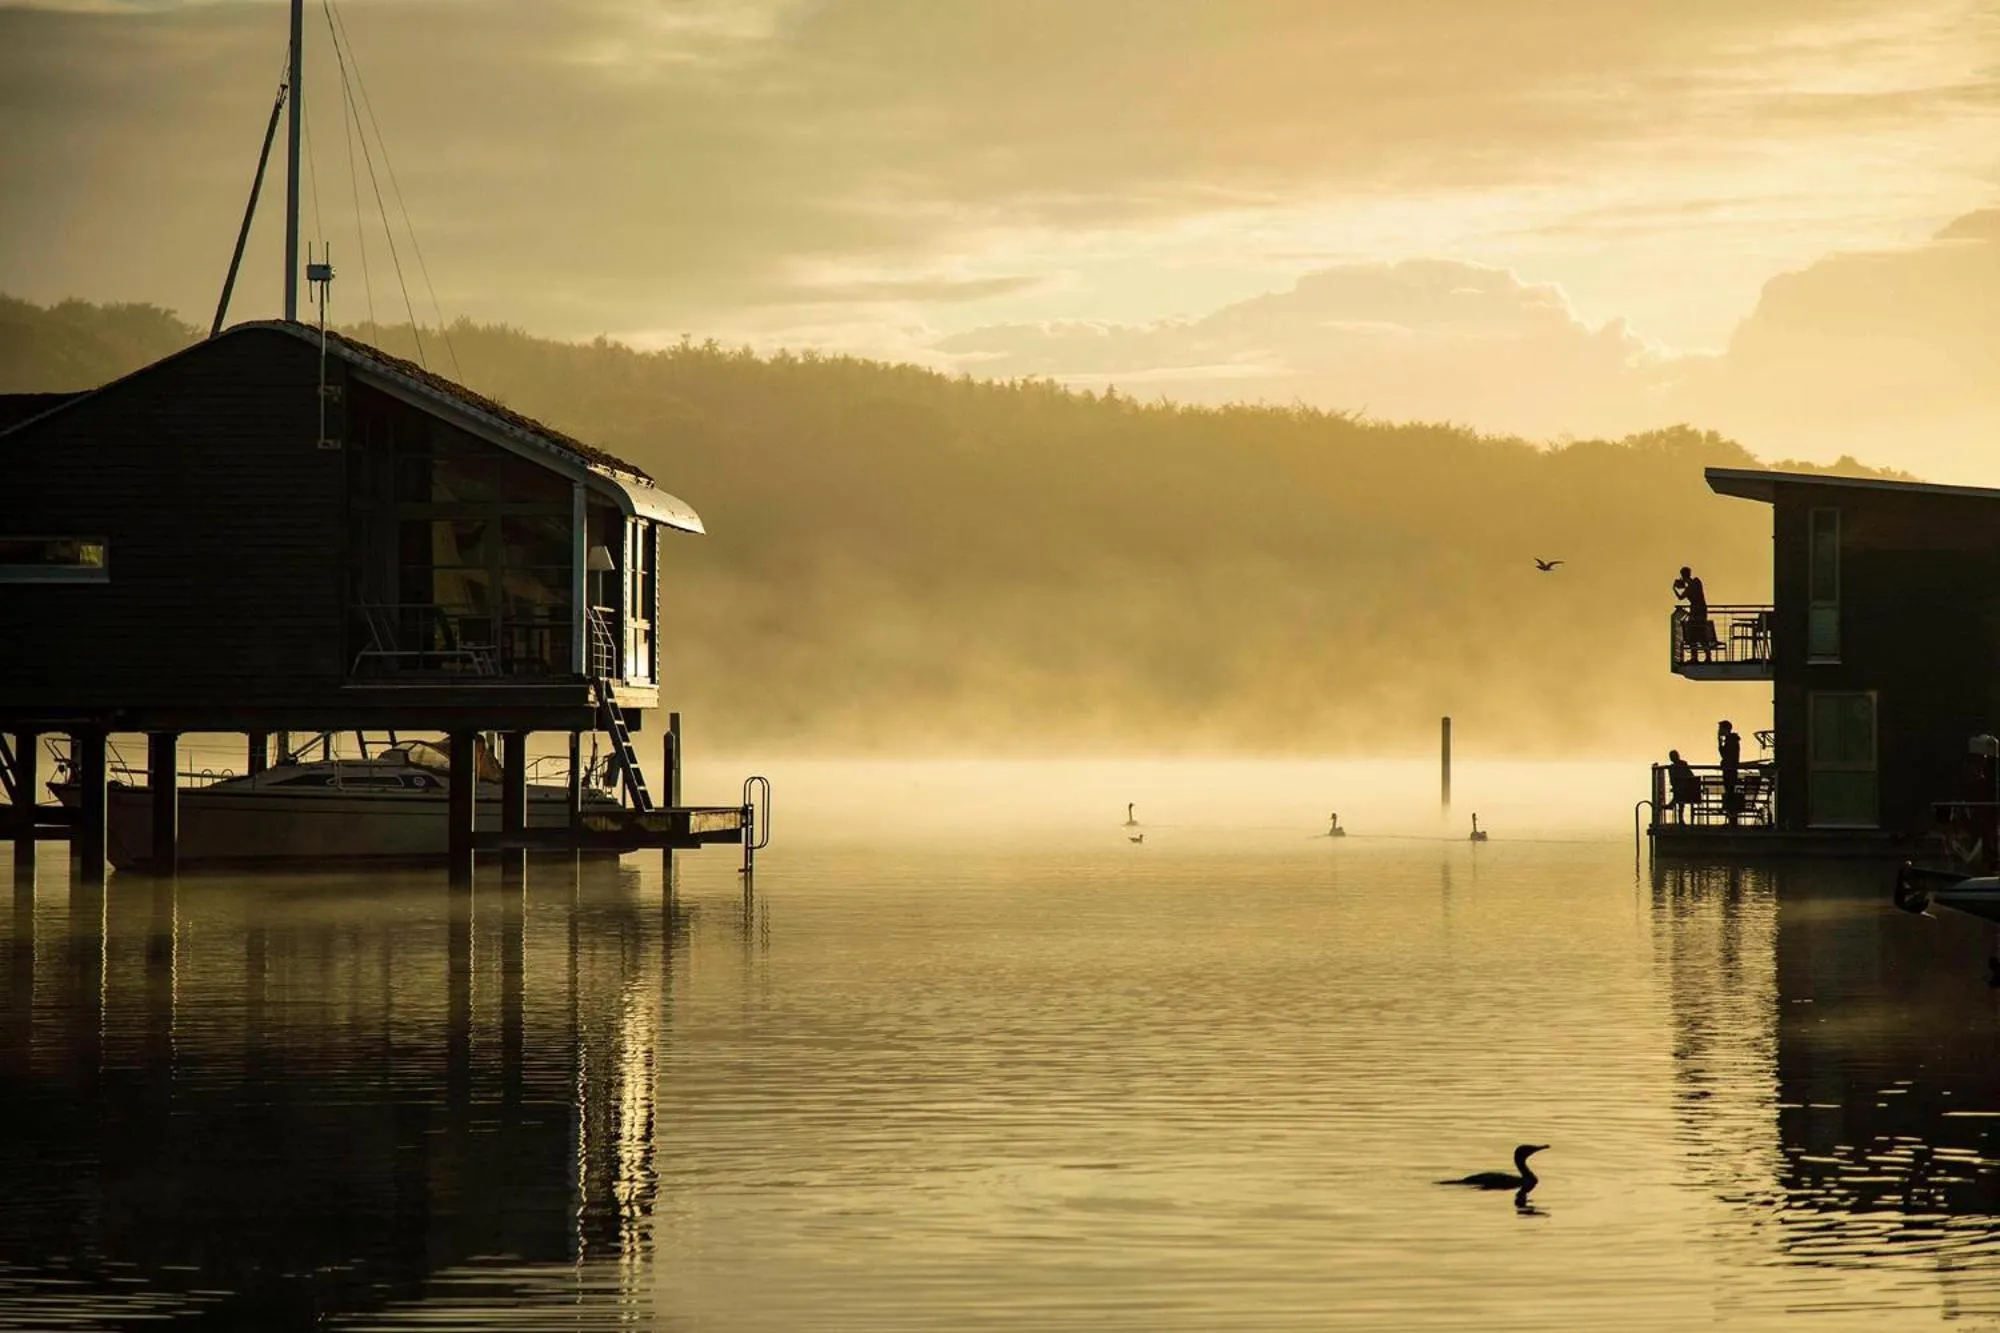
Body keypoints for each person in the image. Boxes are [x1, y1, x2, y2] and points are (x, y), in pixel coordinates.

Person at [1673, 566, 1712, 661]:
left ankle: (1699, 657)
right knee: (1696, 634)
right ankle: (1702, 657)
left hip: (1697, 611)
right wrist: (1679, 587)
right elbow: (1682, 597)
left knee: (1696, 633)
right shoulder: (1695, 583)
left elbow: (1681, 597)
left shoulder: (1695, 582)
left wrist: (1675, 588)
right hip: (1699, 610)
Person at [1717, 721, 1742, 825]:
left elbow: (1726, 756)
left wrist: (1720, 743)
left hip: (1729, 771)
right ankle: (1731, 818)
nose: (1719, 731)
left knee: (1730, 794)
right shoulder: (1731, 740)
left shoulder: (1731, 741)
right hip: (1730, 770)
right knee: (1729, 793)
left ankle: (1732, 819)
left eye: (1720, 728)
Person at [1666, 749, 1701, 821]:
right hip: (1685, 790)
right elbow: (1690, 775)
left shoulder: (1674, 766)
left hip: (1685, 790)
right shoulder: (1681, 764)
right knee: (1679, 793)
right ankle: (1679, 816)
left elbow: (1673, 780)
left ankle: (1672, 805)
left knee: (1679, 794)